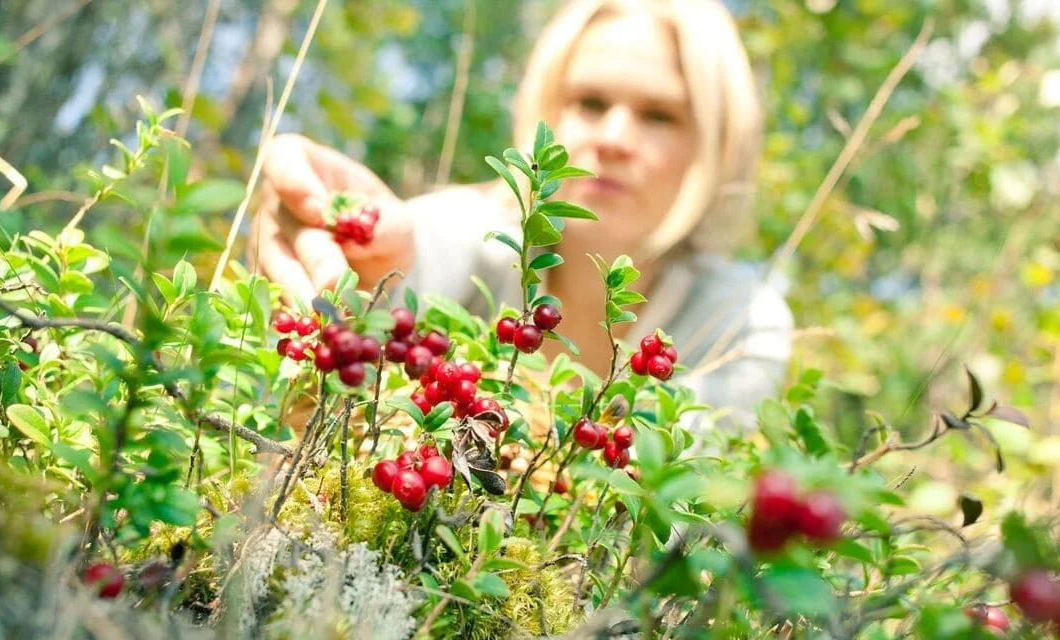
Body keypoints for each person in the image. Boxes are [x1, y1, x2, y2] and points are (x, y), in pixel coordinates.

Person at [253, 0, 793, 429]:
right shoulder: (479, 232)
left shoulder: (740, 322)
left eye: (659, 115)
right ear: (547, 111)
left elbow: (669, 519)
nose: (613, 139)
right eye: (591, 103)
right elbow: (409, 259)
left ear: (717, 144)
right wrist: (360, 258)